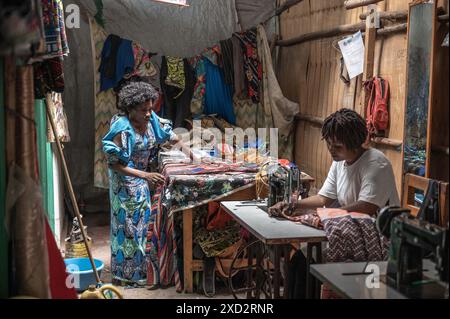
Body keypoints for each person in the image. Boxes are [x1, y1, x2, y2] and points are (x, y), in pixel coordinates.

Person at [102, 81, 191, 286]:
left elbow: (171, 137)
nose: (149, 113)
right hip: (124, 184)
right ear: (130, 110)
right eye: (144, 110)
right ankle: (126, 277)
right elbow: (115, 165)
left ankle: (144, 273)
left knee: (143, 227)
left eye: (151, 108)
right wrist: (145, 175)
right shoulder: (122, 129)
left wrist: (193, 156)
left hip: (141, 181)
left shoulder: (151, 120)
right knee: (128, 229)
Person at [269, 108, 400, 218]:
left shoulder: (376, 164)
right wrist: (292, 204)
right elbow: (323, 199)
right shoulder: (340, 160)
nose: (331, 150)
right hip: (354, 224)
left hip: (381, 234)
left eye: (337, 147)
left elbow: (366, 206)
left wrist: (327, 213)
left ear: (354, 144)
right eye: (329, 144)